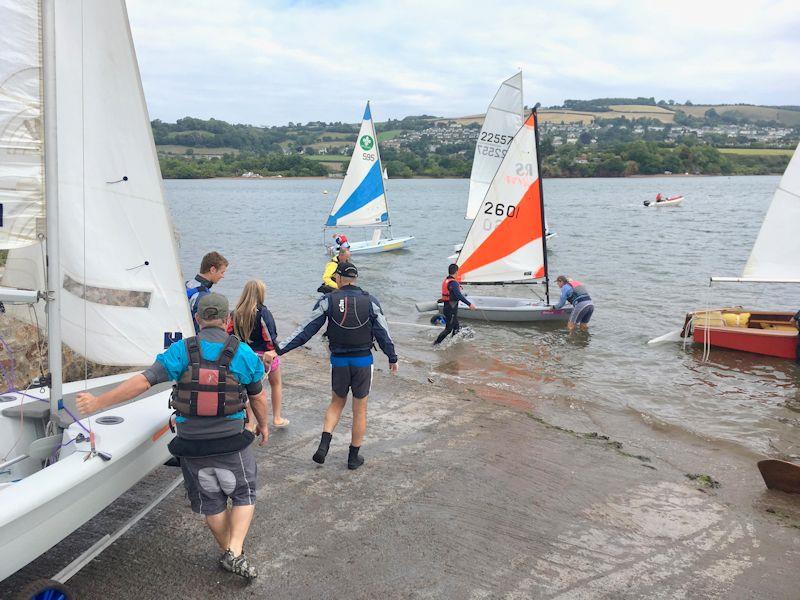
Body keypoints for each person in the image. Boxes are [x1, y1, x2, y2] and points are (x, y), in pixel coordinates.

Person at [76, 293, 268, 581]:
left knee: (211, 502)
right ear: (228, 320)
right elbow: (258, 398)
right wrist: (263, 425)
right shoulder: (243, 353)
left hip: (190, 445)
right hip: (231, 442)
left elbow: (142, 382)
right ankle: (236, 551)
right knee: (243, 494)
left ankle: (229, 553)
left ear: (198, 320)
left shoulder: (179, 352)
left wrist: (98, 403)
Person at [277, 261, 397, 470]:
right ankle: (353, 458)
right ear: (355, 279)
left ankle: (324, 445)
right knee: (360, 410)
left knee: (336, 403)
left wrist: (279, 349)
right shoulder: (371, 301)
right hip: (362, 361)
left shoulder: (327, 300)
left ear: (339, 279)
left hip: (339, 361)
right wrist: (392, 357)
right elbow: (383, 333)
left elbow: (306, 330)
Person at [230, 280, 289, 428]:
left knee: (249, 388)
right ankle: (276, 417)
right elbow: (269, 335)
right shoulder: (263, 312)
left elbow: (230, 334)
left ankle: (250, 423)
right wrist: (274, 349)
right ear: (261, 294)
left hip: (243, 355)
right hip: (264, 354)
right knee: (276, 384)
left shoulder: (235, 313)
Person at [434, 263, 475, 345]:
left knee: (456, 327)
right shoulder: (453, 283)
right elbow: (458, 295)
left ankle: (452, 344)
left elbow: (450, 295)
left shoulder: (447, 280)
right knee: (448, 329)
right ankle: (435, 344)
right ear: (456, 272)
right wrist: (469, 304)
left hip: (448, 308)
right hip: (451, 309)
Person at [186, 251, 229, 332]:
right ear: (213, 270)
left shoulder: (187, 284)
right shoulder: (203, 296)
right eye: (222, 272)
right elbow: (199, 328)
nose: (222, 276)